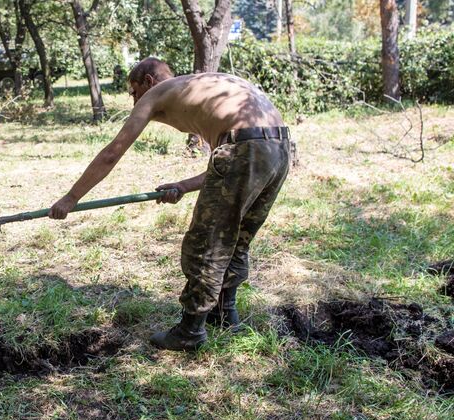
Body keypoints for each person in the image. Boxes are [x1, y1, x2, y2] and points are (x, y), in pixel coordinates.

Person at [48, 58, 291, 351]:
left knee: (206, 243)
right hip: (281, 146)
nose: (134, 101)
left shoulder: (156, 93)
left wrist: (70, 198)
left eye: (133, 92)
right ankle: (226, 316)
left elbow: (112, 153)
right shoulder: (200, 86)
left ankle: (190, 332)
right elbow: (236, 158)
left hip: (247, 148)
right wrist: (184, 186)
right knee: (236, 237)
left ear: (148, 82)